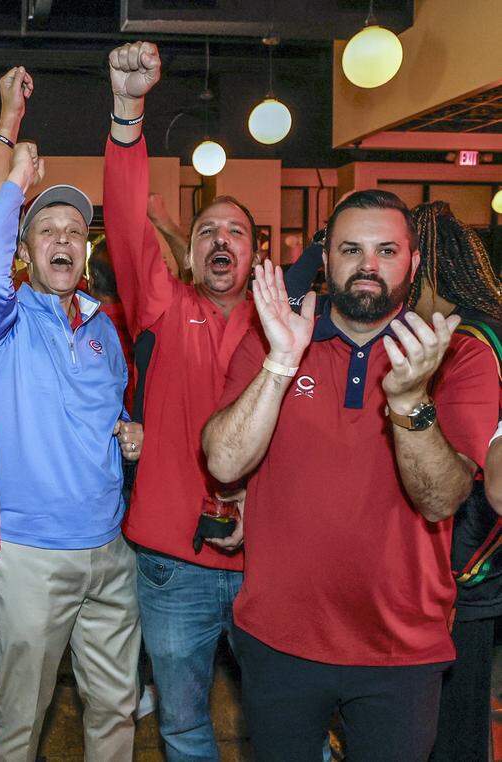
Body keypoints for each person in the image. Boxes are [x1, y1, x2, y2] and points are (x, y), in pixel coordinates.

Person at [202, 190, 498, 761]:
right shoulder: (274, 339)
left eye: (386, 250)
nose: (368, 265)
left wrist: (411, 402)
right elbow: (224, 462)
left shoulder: (454, 355)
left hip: (402, 648)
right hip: (278, 637)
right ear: (326, 259)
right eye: (351, 249)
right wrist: (282, 361)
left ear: (412, 262)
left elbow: (441, 500)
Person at [103, 41, 265, 760]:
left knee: (286, 721)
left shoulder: (287, 329)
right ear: (190, 252)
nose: (221, 239)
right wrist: (130, 111)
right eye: (208, 232)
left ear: (257, 253)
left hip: (274, 562)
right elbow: (125, 219)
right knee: (184, 725)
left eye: (236, 231)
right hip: (175, 563)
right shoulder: (164, 308)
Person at [0, 135, 141, 759]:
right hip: (30, 558)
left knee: (117, 709)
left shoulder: (101, 327)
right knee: (21, 716)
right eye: (48, 231)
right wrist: (14, 181)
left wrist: (129, 431)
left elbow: (110, 409)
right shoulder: (0, 322)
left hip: (111, 550)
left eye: (75, 230)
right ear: (25, 248)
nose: (63, 240)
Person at [408, 201, 502, 762]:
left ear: (427, 270)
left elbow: (459, 471)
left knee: (452, 730)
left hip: (463, 572)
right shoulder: (490, 326)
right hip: (482, 567)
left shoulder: (468, 343)